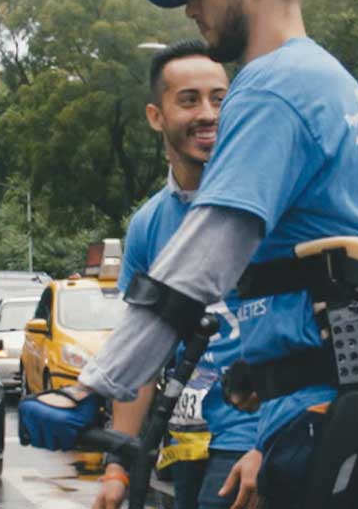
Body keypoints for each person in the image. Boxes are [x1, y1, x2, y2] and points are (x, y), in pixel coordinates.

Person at [19, 0, 358, 506]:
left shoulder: (270, 86)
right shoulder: (334, 81)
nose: (190, 9)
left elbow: (207, 255)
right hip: (352, 402)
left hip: (315, 413)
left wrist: (91, 386)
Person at [90, 40, 258, 509]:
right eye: (189, 100)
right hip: (184, 437)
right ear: (155, 116)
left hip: (251, 432)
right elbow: (141, 353)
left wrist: (268, 442)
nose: (208, 114)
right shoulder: (147, 225)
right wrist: (117, 467)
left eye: (219, 99)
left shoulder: (263, 204)